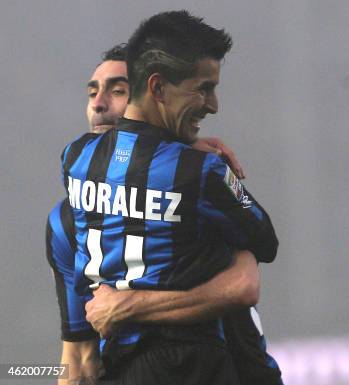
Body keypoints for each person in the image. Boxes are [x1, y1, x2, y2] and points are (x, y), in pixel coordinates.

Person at [48, 14, 282, 383]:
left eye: (117, 89)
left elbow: (78, 361)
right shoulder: (202, 172)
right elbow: (263, 243)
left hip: (121, 368)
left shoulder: (74, 158)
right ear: (157, 88)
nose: (213, 104)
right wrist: (199, 159)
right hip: (196, 364)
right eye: (202, 88)